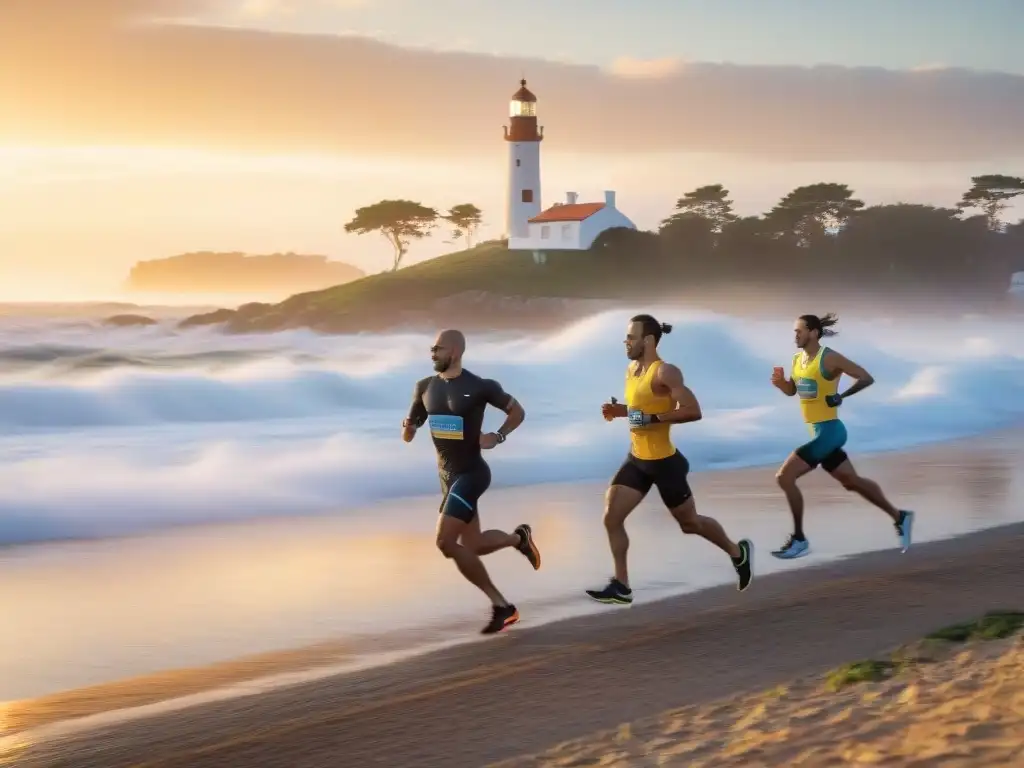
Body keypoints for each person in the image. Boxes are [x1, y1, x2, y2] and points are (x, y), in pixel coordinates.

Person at [585, 314, 754, 605]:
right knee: (612, 517)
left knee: (690, 524)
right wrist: (621, 411)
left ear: (648, 340)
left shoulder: (666, 372)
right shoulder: (631, 369)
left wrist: (652, 418)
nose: (625, 342)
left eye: (631, 337)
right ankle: (622, 586)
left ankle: (737, 553)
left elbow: (693, 410)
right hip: (637, 459)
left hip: (665, 464)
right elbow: (641, 408)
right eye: (626, 337)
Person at [402, 329, 541, 634]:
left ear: (454, 350)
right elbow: (411, 430)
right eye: (431, 349)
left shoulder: (480, 387)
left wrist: (498, 436)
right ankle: (519, 538)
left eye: (436, 348)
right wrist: (409, 429)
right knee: (473, 544)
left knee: (446, 542)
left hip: (473, 474)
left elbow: (517, 411)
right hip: (447, 478)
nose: (432, 353)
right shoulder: (424, 387)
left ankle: (503, 607)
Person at [769, 312, 915, 559]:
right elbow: (794, 391)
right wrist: (782, 383)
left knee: (785, 477)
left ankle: (799, 540)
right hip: (818, 431)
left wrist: (841, 396)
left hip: (830, 432)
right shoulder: (797, 360)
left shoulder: (830, 358)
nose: (795, 335)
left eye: (799, 331)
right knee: (851, 481)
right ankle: (900, 517)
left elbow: (866, 377)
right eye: (794, 331)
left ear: (813, 332)